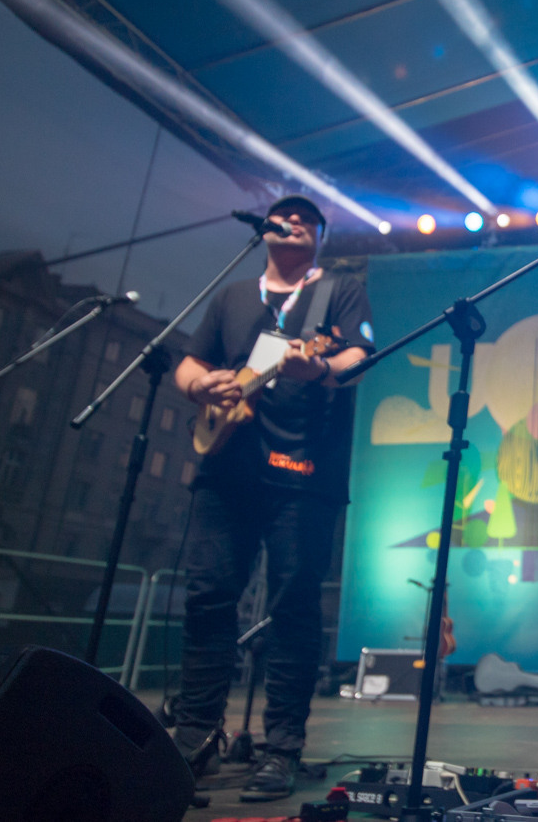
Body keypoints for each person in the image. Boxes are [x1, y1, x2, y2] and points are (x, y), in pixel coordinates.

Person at [171, 195, 372, 801]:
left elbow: (358, 356)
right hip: (226, 467)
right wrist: (200, 385)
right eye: (284, 217)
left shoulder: (338, 291)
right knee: (207, 597)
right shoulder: (233, 296)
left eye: (307, 219)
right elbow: (189, 363)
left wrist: (321, 369)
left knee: (293, 606)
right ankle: (193, 739)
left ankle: (281, 748)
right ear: (265, 232)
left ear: (319, 236)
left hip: (304, 472)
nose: (294, 224)